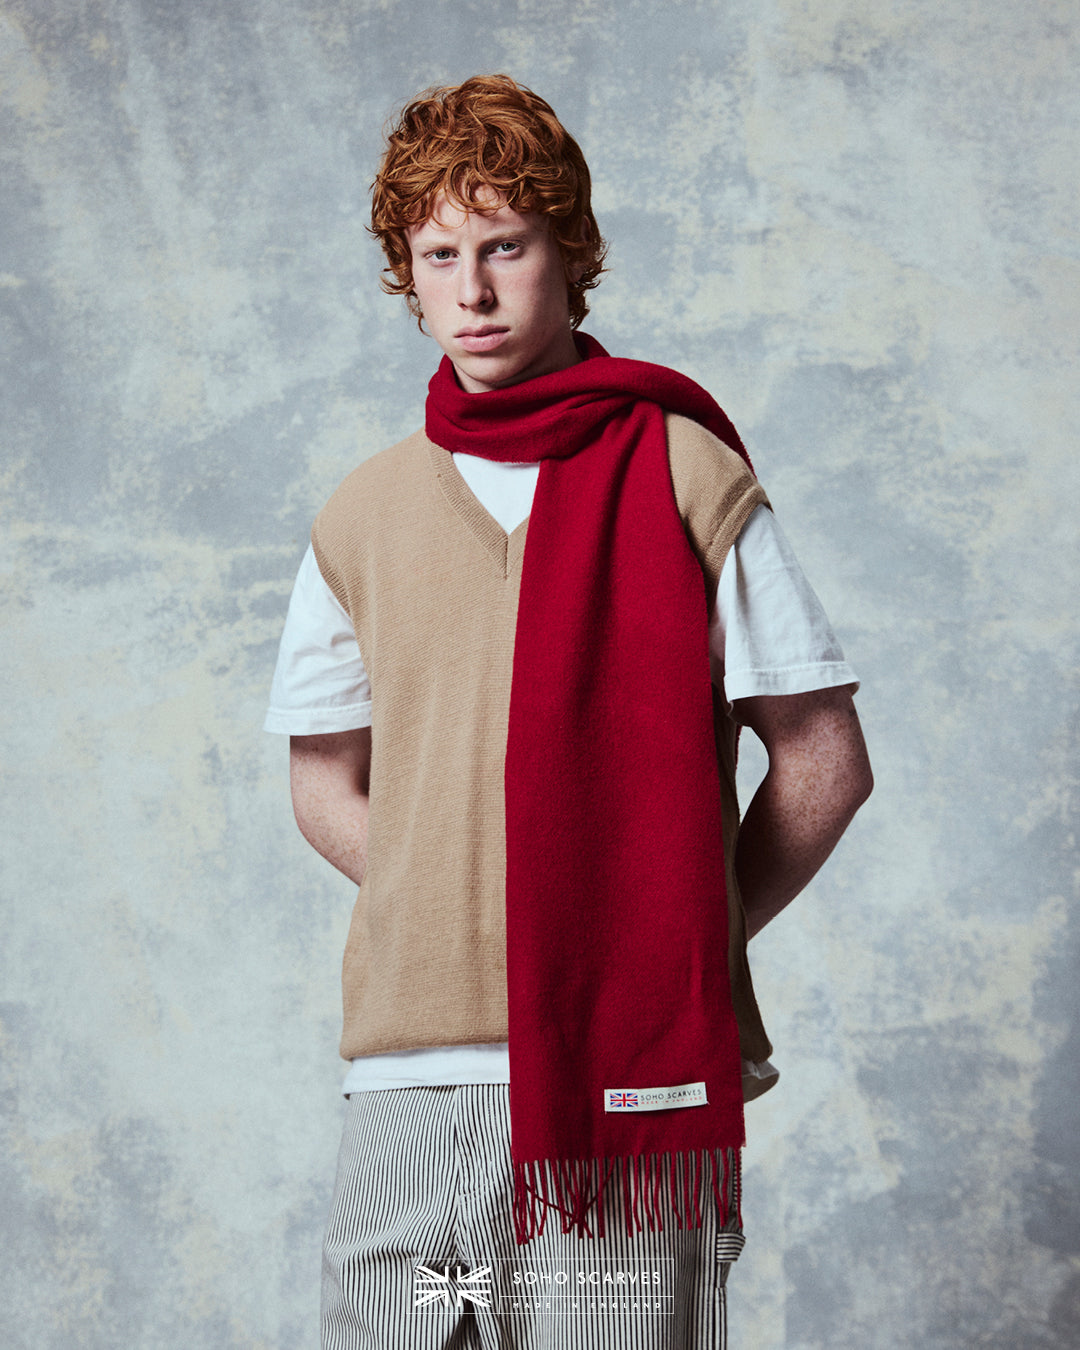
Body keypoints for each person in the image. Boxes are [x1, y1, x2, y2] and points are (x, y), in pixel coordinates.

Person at [265, 73, 872, 1349]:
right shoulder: (362, 516)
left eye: (504, 247)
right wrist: (453, 890)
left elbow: (824, 759)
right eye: (440, 256)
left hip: (626, 1084)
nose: (473, 292)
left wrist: (673, 923)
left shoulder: (688, 474)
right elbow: (322, 777)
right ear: (407, 274)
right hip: (414, 1087)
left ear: (569, 252)